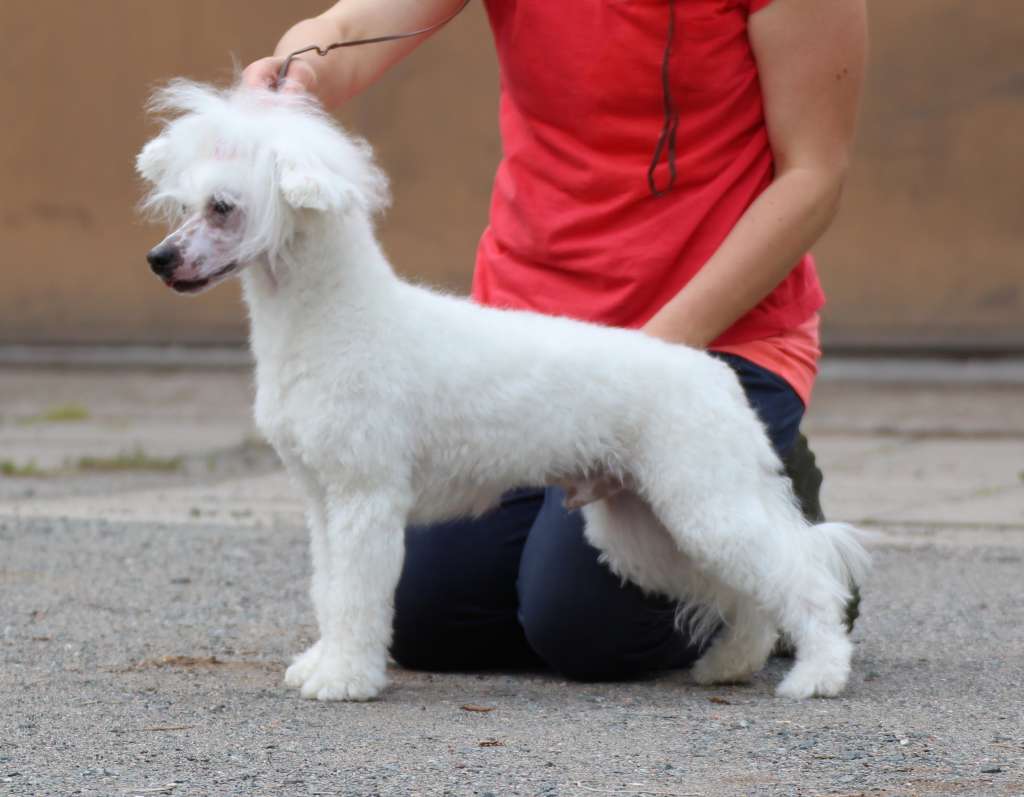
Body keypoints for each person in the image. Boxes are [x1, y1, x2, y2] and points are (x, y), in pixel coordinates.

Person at [244, 0, 867, 680]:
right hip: (529, 354)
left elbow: (814, 175)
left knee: (586, 626)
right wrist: (302, 69)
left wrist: (634, 382)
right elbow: (351, 29)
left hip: (709, 340)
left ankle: (782, 539)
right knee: (428, 619)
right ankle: (719, 519)